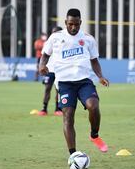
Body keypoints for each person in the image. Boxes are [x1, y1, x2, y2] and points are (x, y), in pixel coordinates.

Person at [39, 8, 110, 155]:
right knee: (68, 115)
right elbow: (45, 54)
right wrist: (41, 66)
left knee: (94, 106)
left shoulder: (88, 39)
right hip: (65, 83)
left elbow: (94, 60)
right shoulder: (55, 37)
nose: (73, 27)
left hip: (84, 81)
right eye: (70, 24)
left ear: (80, 23)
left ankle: (94, 136)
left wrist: (100, 76)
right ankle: (73, 155)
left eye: (76, 24)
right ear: (65, 22)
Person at [37, 26, 63, 116]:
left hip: (60, 70)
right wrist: (41, 67)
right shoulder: (48, 43)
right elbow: (43, 56)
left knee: (58, 90)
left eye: (56, 32)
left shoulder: (65, 43)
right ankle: (44, 108)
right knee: (47, 89)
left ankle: (58, 108)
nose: (54, 34)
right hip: (49, 70)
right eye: (53, 32)